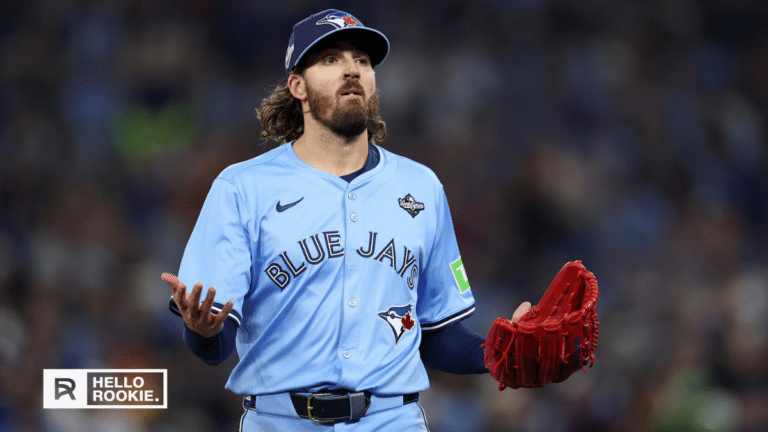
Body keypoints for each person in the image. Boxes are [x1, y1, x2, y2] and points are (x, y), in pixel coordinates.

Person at [162, 9, 531, 431]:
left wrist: (499, 351)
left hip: (393, 420)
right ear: (297, 86)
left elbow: (436, 334)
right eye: (331, 59)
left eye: (362, 60)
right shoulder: (243, 188)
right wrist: (203, 331)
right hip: (280, 421)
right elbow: (216, 343)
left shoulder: (421, 186)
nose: (352, 70)